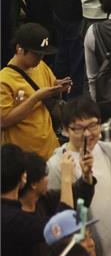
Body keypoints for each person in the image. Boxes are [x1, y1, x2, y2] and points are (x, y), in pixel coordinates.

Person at [46, 97, 111, 256]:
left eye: (93, 125)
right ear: (66, 131)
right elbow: (58, 217)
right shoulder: (57, 165)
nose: (88, 134)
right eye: (79, 129)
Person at [1, 23, 72, 158]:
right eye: (37, 54)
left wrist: (58, 87)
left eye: (43, 54)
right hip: (24, 157)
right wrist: (35, 98)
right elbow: (3, 121)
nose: (41, 58)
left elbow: (48, 87)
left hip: (50, 149)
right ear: (20, 49)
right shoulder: (4, 80)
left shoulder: (40, 66)